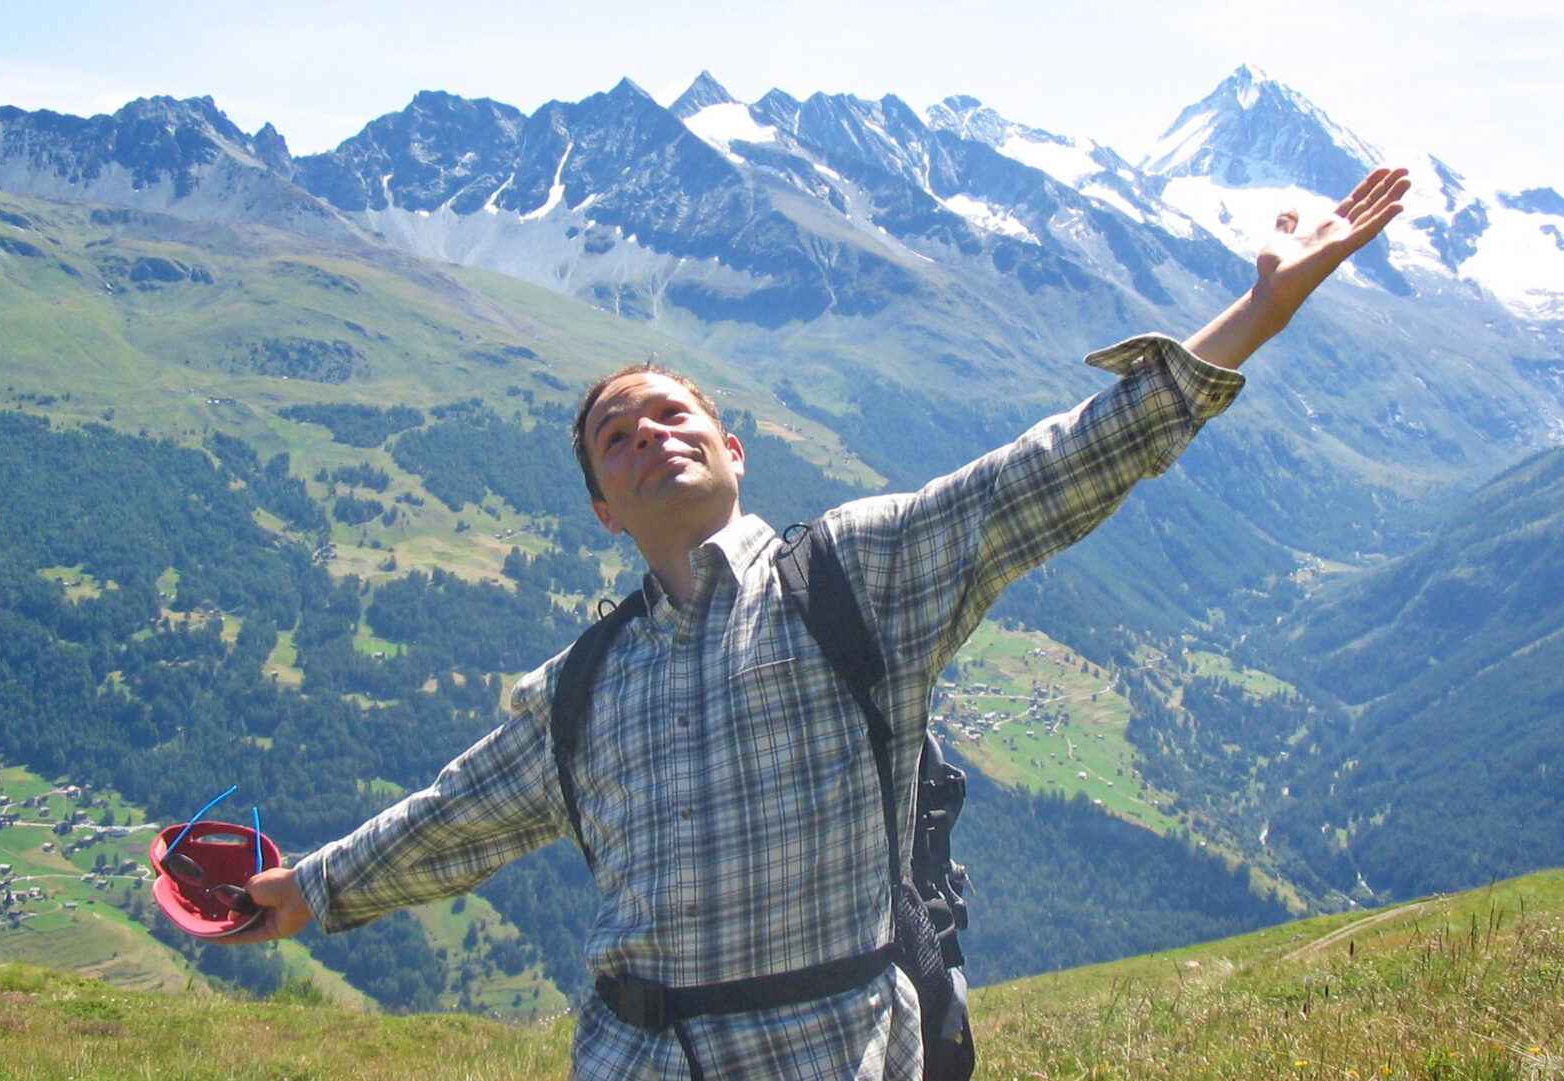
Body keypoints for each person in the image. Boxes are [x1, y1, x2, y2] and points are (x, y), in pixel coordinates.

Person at [227, 169, 1411, 1079]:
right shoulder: (585, 685)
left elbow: (1048, 475)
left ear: (733, 453)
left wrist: (1254, 313)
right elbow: (455, 819)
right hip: (630, 1057)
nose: (654, 435)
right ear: (602, 508)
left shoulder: (857, 577)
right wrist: (310, 890)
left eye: (675, 413)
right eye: (618, 435)